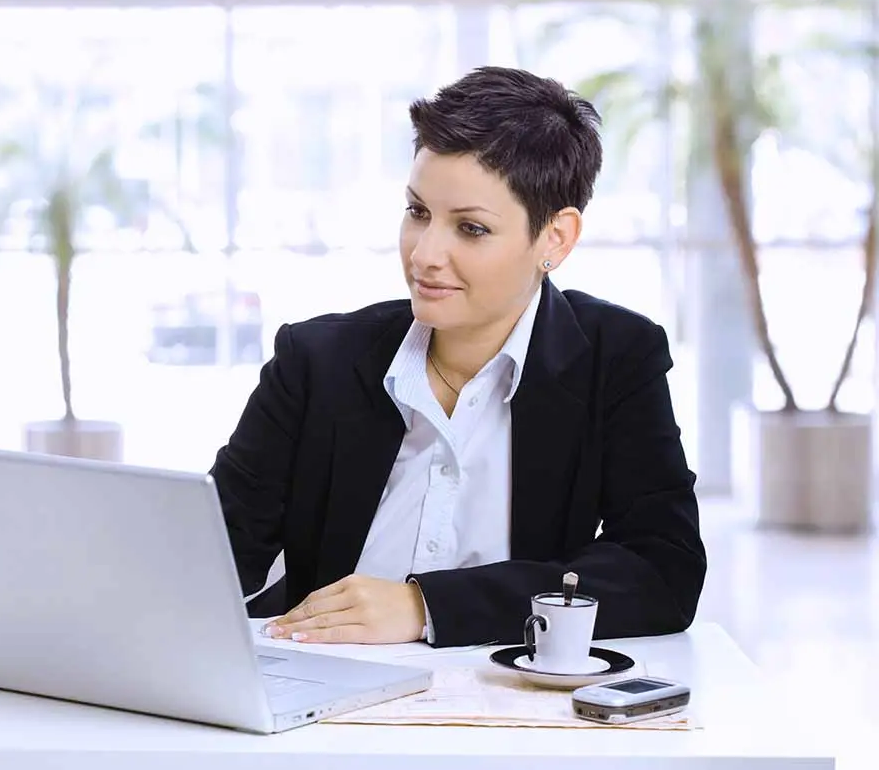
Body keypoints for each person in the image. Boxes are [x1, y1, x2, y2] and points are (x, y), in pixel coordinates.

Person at [209, 66, 706, 648]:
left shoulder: (615, 357)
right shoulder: (316, 360)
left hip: (511, 700)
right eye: (417, 212)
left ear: (555, 238)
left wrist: (425, 606)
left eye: (470, 228)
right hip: (324, 689)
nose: (424, 254)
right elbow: (214, 553)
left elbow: (662, 570)